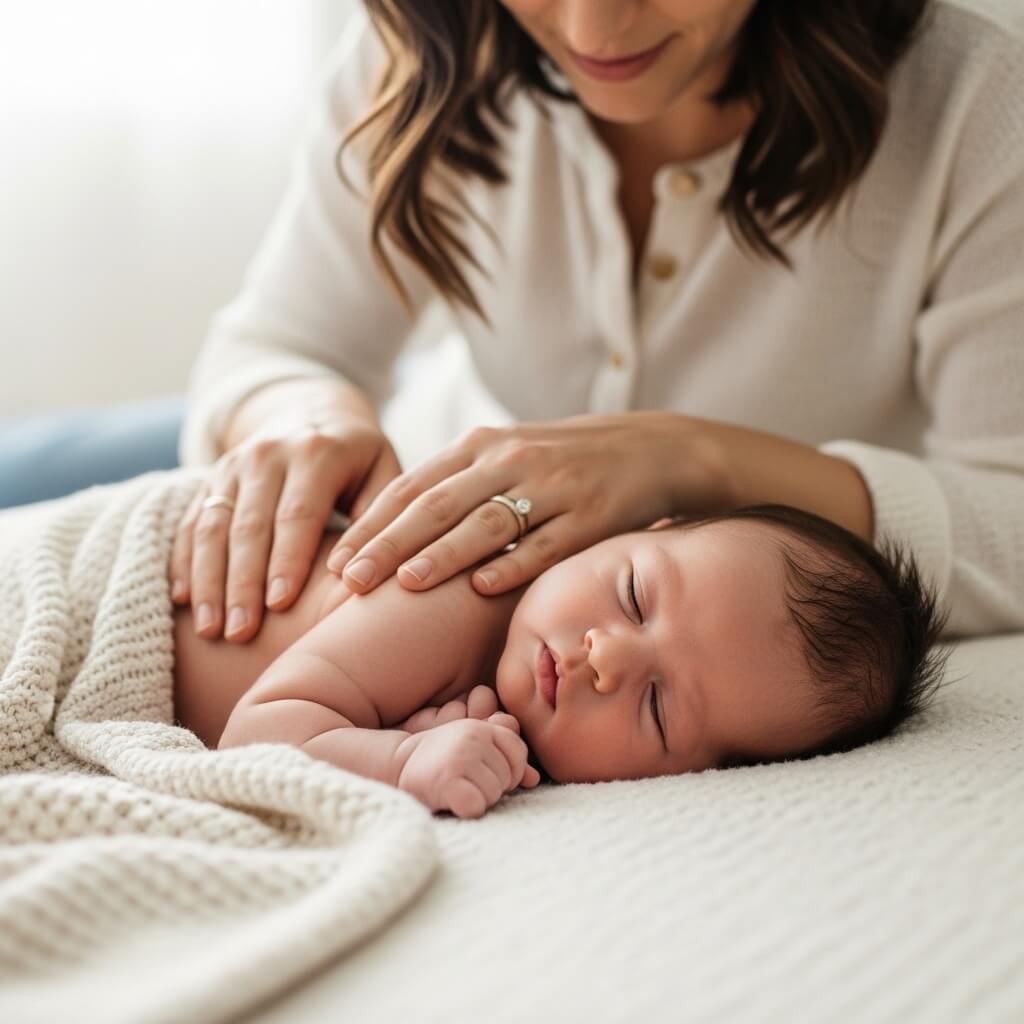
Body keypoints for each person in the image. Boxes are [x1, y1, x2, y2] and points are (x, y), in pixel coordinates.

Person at [161, 0, 1021, 649]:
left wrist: (690, 461)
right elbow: (278, 345)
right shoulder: (439, 44)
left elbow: (1010, 517)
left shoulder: (975, 106)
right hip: (387, 477)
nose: (593, 29)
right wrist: (303, 418)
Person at [175, 500, 946, 819]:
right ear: (638, 527)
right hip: (151, 580)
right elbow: (255, 736)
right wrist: (403, 759)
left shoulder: (516, 730)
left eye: (656, 706)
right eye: (636, 595)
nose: (606, 656)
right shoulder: (458, 595)